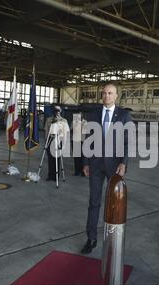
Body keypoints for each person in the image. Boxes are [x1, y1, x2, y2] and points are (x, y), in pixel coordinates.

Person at [81, 84, 133, 254]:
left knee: (114, 203)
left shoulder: (124, 115)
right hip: (95, 164)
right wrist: (86, 163)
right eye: (104, 93)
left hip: (114, 165)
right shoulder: (93, 114)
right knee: (94, 202)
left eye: (110, 93)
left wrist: (124, 163)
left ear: (116, 96)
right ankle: (91, 238)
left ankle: (113, 238)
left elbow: (127, 141)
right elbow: (87, 139)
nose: (106, 96)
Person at [44, 106, 69, 182]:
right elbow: (46, 131)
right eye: (55, 109)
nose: (56, 111)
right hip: (50, 139)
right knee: (50, 159)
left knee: (57, 159)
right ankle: (50, 175)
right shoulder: (49, 119)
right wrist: (46, 142)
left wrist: (64, 144)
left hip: (58, 140)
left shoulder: (64, 121)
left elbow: (65, 133)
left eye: (58, 109)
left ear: (60, 111)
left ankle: (56, 176)